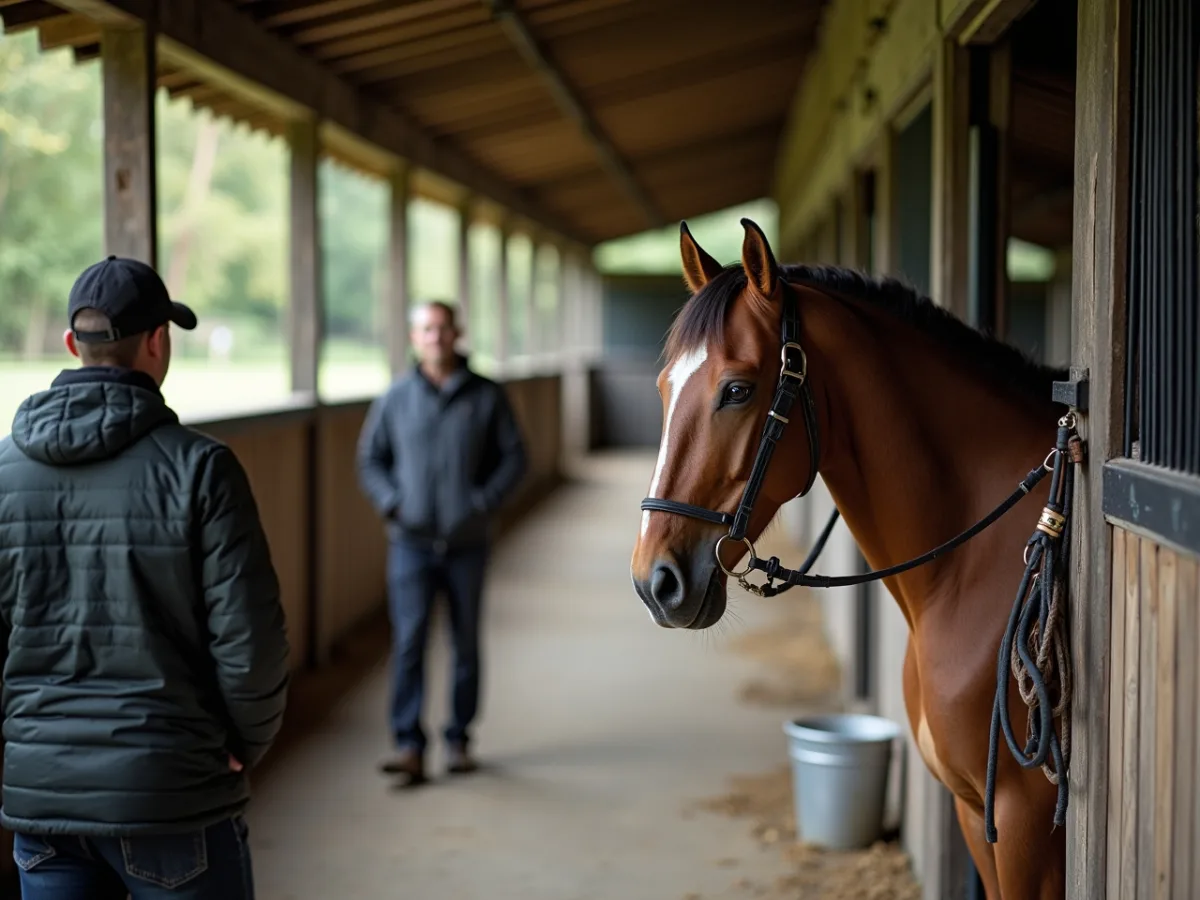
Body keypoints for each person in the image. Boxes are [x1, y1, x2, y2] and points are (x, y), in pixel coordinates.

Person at [0, 256, 290, 899]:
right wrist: (245, 739)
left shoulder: (4, 471)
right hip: (169, 789)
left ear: (73, 344)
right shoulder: (201, 468)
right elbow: (252, 640)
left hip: (43, 798)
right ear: (158, 341)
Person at [357, 300, 527, 785]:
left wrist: (482, 502)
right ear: (414, 338)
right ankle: (409, 745)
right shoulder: (395, 398)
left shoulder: (487, 396)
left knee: (465, 642)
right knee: (409, 642)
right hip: (409, 543)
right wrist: (392, 502)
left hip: (467, 542)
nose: (435, 337)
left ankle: (459, 740)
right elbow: (371, 459)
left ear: (458, 334)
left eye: (443, 328)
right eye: (426, 329)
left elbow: (515, 457)